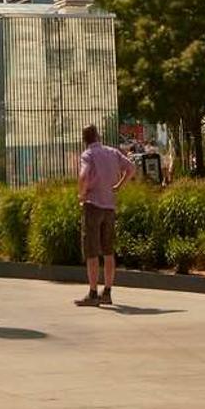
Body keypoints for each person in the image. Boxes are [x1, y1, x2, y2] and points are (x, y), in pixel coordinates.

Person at [76, 124, 135, 307]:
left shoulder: (88, 155)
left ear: (85, 139)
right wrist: (118, 185)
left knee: (92, 250)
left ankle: (93, 292)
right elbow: (131, 168)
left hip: (93, 205)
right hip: (110, 206)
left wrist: (82, 193)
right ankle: (107, 292)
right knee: (108, 250)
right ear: (99, 136)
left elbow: (84, 175)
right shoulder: (112, 152)